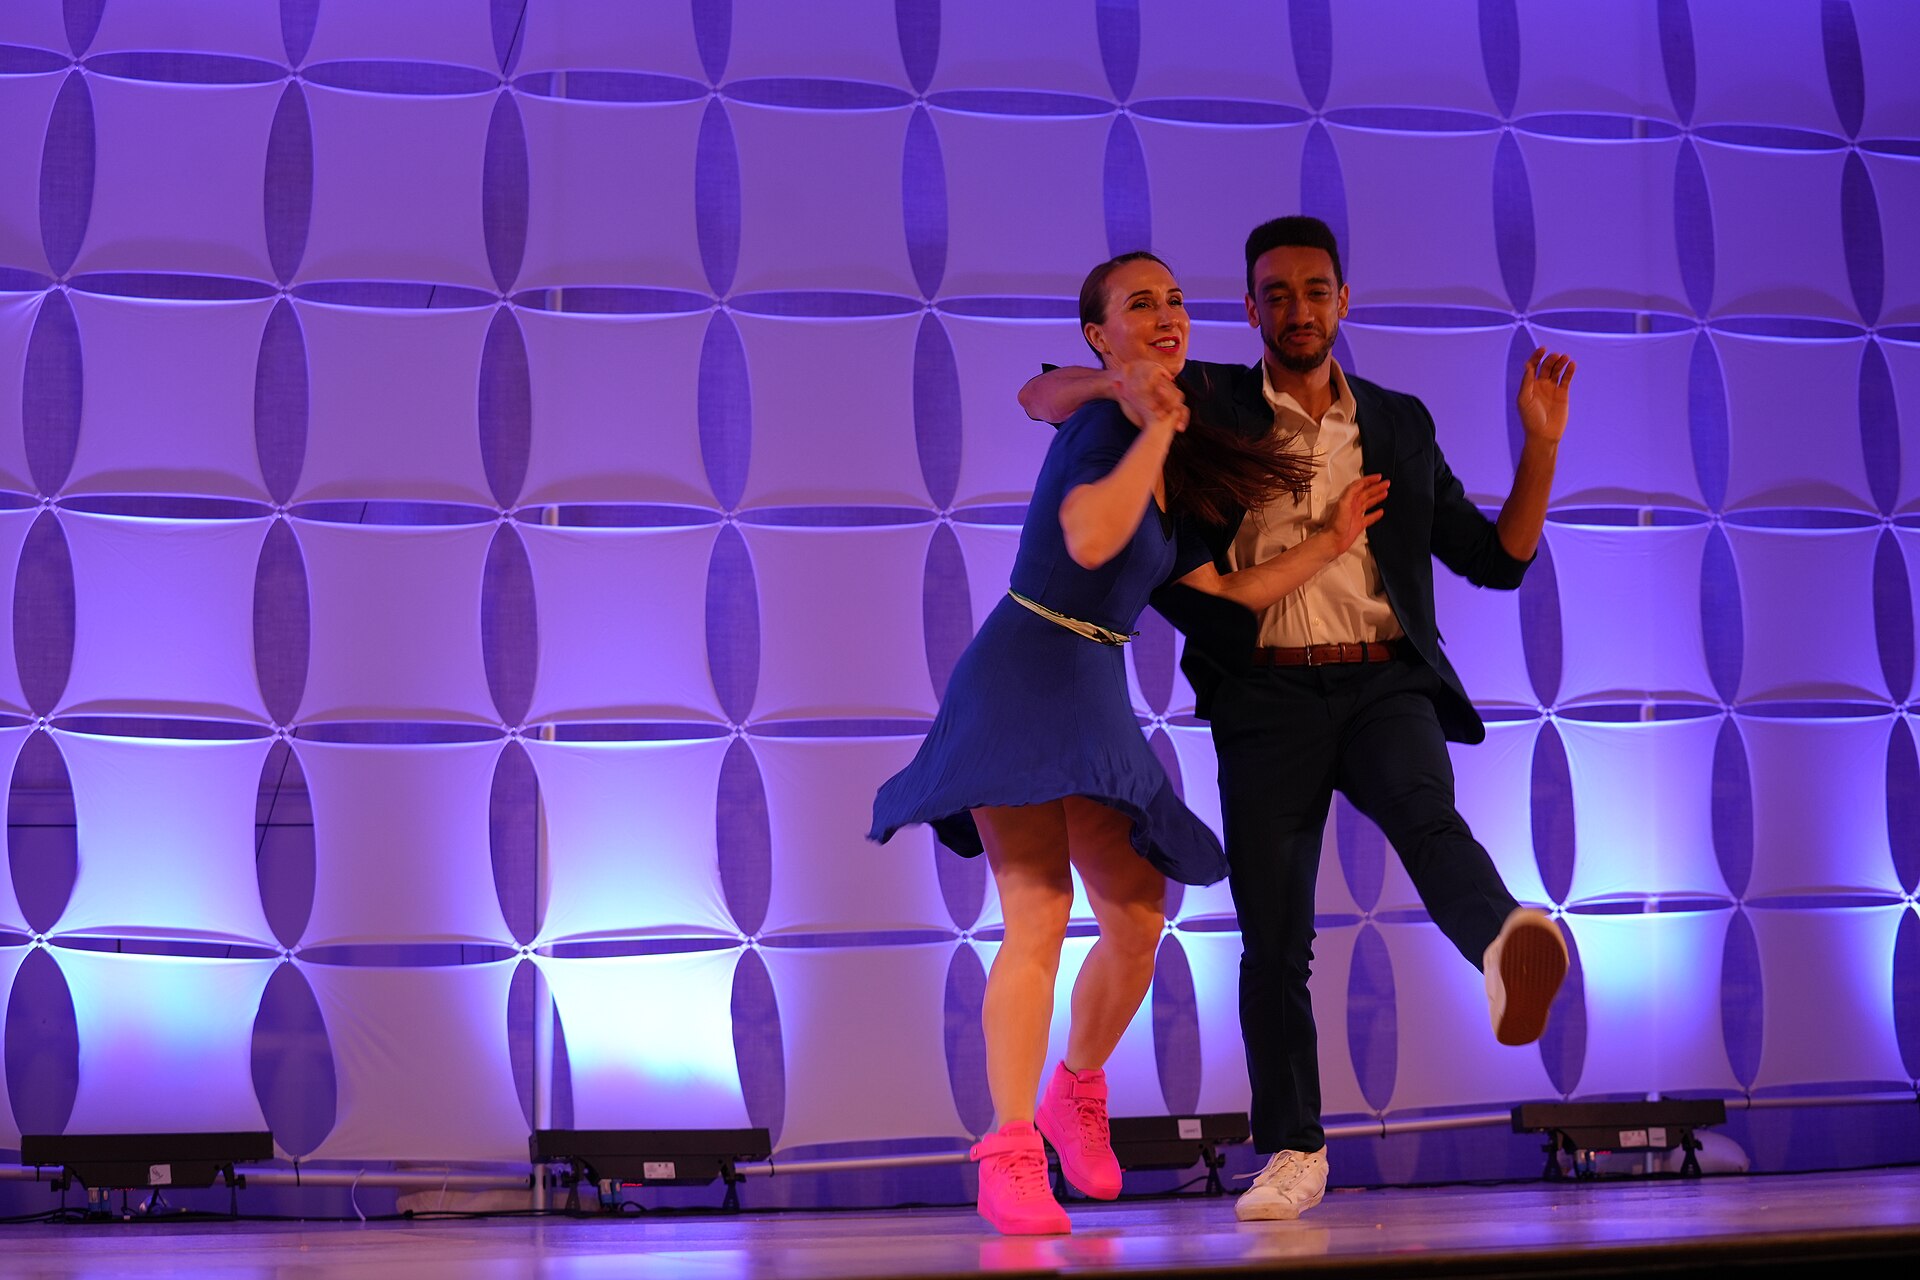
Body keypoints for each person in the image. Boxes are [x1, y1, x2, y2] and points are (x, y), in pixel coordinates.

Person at [1018, 216, 1577, 1223]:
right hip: (1266, 691)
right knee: (1275, 932)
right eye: (1275, 293)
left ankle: (1503, 945)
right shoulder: (1216, 397)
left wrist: (1539, 445)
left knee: (1424, 813)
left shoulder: (1398, 424)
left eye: (1315, 291)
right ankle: (1294, 1145)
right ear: (1253, 309)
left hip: (1382, 681)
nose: (1298, 309)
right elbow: (1042, 395)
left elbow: (1497, 559)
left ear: (1343, 302)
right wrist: (1118, 382)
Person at [871, 251, 1387, 1236]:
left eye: (1176, 300)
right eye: (1139, 303)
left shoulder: (1172, 446)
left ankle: (1077, 1086)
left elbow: (1224, 597)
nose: (1167, 314)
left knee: (1141, 918)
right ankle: (1012, 1146)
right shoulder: (1104, 418)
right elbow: (1090, 528)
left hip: (1095, 684)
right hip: (1024, 673)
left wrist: (1328, 542)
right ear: (1102, 333)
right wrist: (1138, 412)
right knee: (1037, 909)